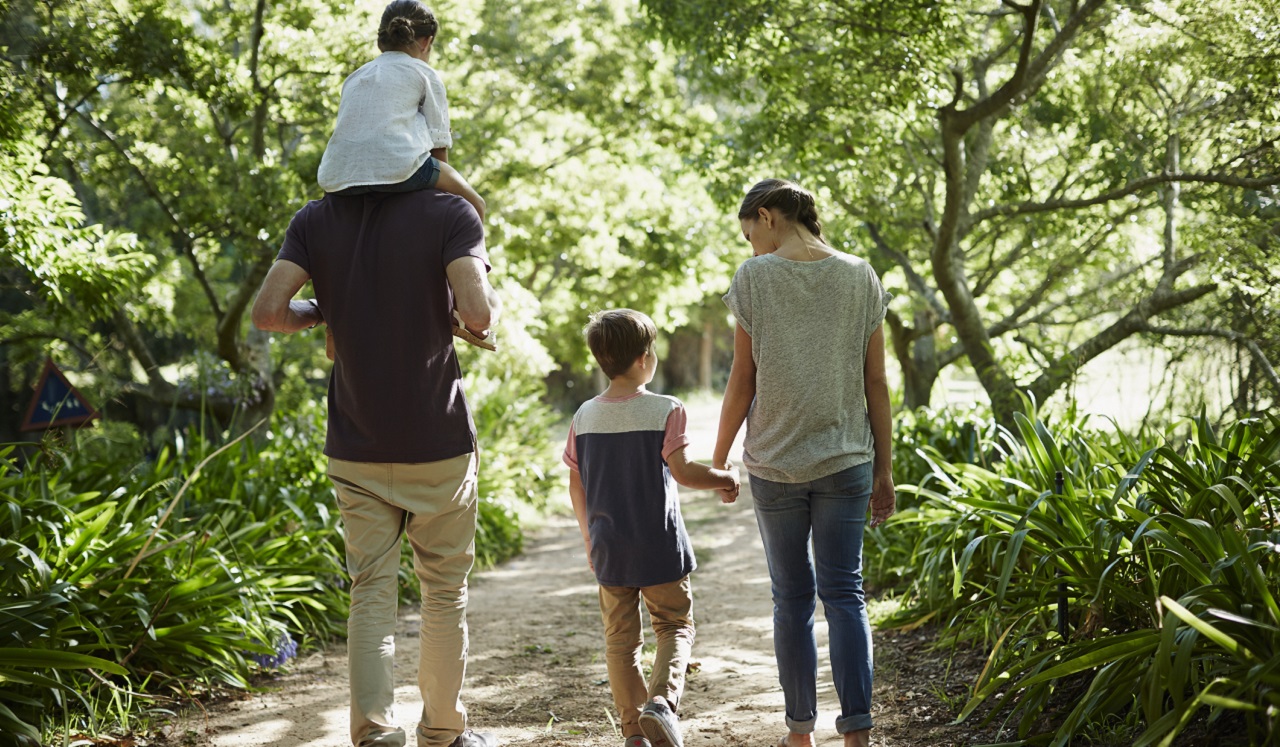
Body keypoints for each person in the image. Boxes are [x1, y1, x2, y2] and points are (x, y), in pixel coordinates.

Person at [250, 179, 500, 747]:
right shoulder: (452, 212)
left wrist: (322, 309)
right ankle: (441, 732)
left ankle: (376, 735)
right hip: (437, 441)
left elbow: (268, 313)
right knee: (443, 592)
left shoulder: (314, 220)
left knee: (370, 591)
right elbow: (479, 314)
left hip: (356, 442)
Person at [710, 179, 896, 747]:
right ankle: (857, 732)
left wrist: (719, 460)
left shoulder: (755, 278)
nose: (751, 249)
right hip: (847, 460)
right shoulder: (860, 275)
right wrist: (885, 470)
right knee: (845, 595)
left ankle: (798, 733)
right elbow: (877, 382)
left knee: (791, 598)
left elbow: (743, 379)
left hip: (774, 463)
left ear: (768, 217)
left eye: (750, 235)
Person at [563, 309, 741, 747]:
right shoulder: (666, 409)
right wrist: (726, 477)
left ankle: (633, 733)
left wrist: (590, 539)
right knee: (674, 627)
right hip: (659, 547)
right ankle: (660, 705)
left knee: (620, 643)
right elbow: (681, 471)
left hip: (609, 548)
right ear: (644, 359)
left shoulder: (584, 416)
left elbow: (576, 482)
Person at [317, 0, 486, 222]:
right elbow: (439, 148)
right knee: (477, 205)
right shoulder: (424, 73)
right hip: (401, 169)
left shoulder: (355, 77)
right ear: (427, 42)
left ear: (381, 41)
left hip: (338, 177)